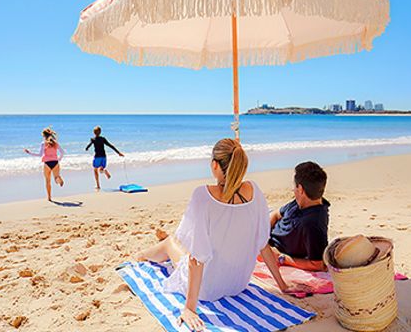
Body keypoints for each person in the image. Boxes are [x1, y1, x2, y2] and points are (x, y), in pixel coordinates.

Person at [135, 138, 306, 331]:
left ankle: (141, 256)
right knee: (184, 242)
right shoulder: (254, 191)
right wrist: (282, 285)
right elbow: (263, 244)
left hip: (207, 289)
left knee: (170, 242)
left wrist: (190, 308)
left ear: (215, 165)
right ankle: (152, 249)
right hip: (238, 283)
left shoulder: (203, 196)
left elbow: (196, 259)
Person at [268, 161, 330, 271]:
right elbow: (276, 214)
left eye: (295, 187)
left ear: (300, 189)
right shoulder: (301, 202)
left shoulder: (313, 225)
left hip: (271, 249)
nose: (293, 190)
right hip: (266, 235)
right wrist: (262, 233)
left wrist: (282, 258)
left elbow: (317, 264)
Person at [24, 127, 65, 201]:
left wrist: (29, 153)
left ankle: (49, 197)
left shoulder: (44, 144)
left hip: (47, 163)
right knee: (56, 178)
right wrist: (59, 159)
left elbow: (40, 155)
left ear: (44, 136)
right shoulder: (55, 143)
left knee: (48, 180)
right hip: (55, 162)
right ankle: (59, 178)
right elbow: (62, 152)